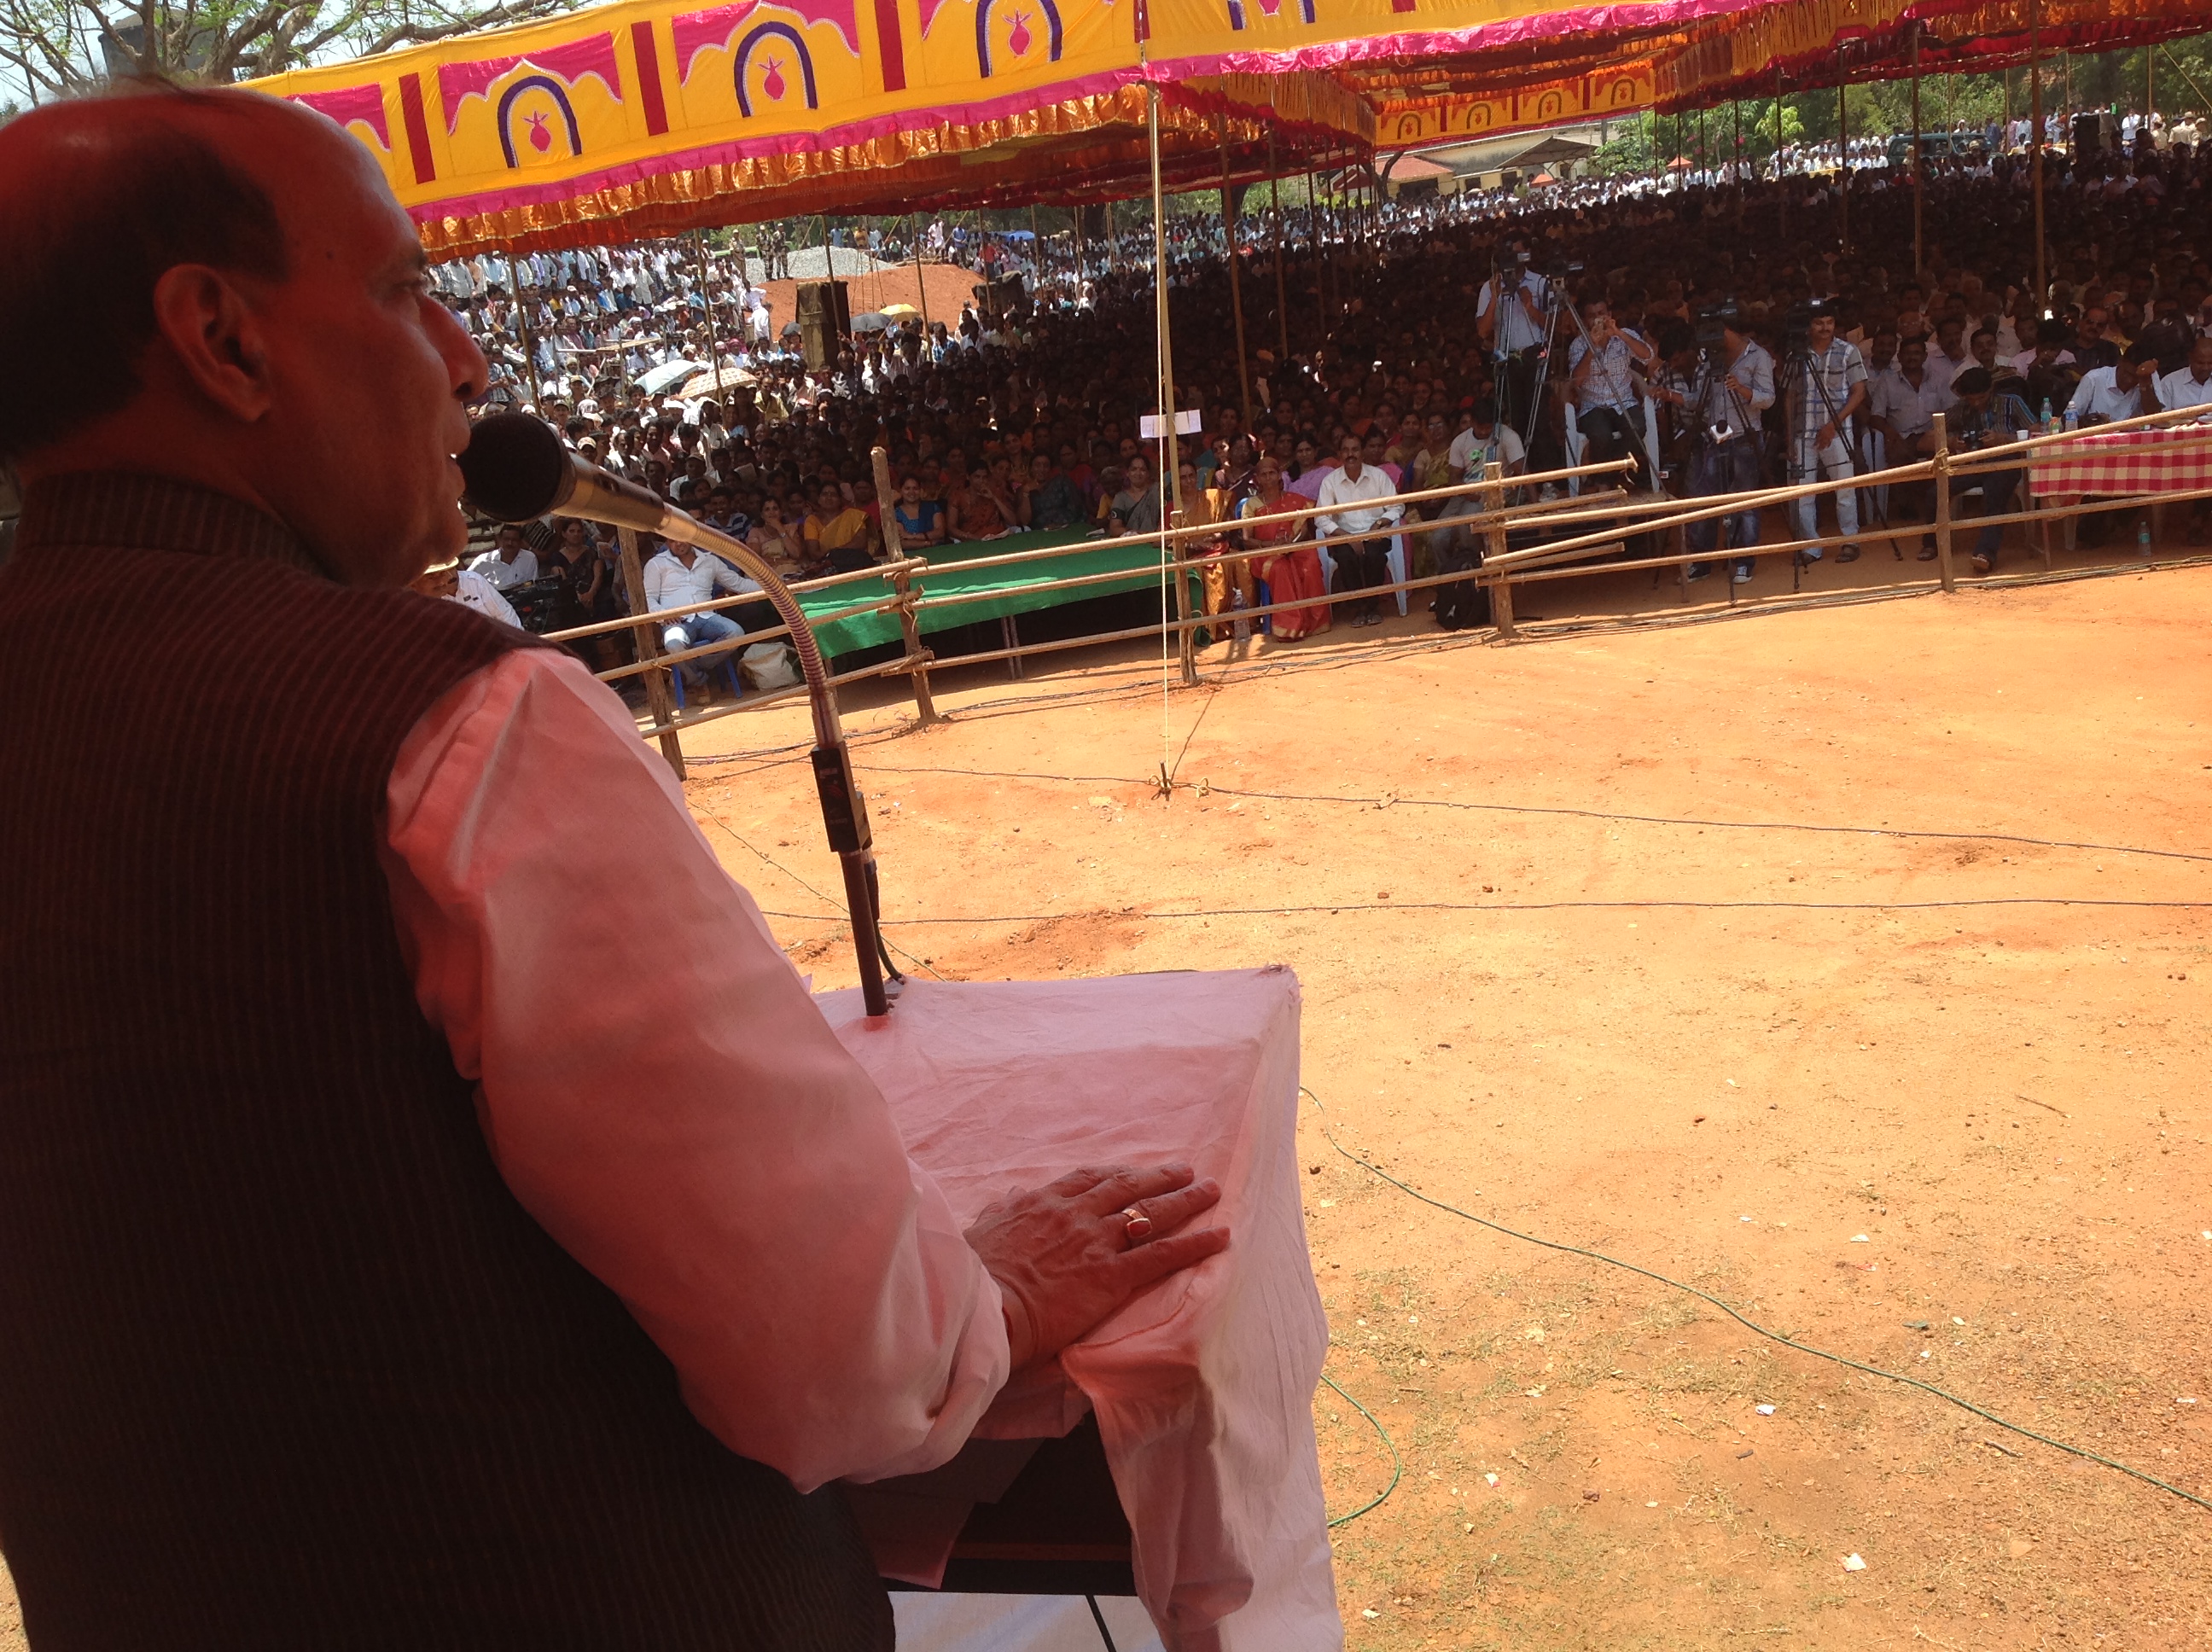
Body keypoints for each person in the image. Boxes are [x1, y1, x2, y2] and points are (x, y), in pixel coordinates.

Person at [0, 84, 1227, 1649]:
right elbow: (847, 1361)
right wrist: (979, 1297)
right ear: (223, 342)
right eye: (396, 288)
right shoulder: (455, 724)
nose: (465, 356)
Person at [1669, 306, 1773, 584]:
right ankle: (1701, 563)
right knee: (1706, 500)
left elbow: (1768, 399)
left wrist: (1741, 388)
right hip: (1716, 436)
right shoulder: (1709, 361)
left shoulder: (1757, 356)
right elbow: (1700, 400)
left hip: (1745, 434)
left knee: (1745, 501)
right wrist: (1673, 396)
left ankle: (1743, 562)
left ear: (1728, 329)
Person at [1781, 303, 1866, 562]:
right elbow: (1790, 396)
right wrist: (1788, 435)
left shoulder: (1848, 351)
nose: (1825, 328)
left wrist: (1833, 425)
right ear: (1809, 326)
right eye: (1819, 323)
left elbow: (1859, 392)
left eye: (1829, 322)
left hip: (1838, 431)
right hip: (1802, 432)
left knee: (1845, 489)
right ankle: (1810, 547)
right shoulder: (1795, 355)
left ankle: (1849, 541)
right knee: (1802, 494)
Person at [1944, 366, 2036, 573]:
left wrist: (2004, 439)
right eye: (1971, 399)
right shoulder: (1961, 408)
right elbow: (1929, 436)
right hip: (1975, 464)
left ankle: (1985, 553)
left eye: (1982, 397)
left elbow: (2037, 433)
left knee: (1994, 495)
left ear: (1991, 389)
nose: (1976, 403)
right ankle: (1932, 543)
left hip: (2007, 462)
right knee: (1938, 490)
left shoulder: (2012, 402)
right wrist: (1952, 442)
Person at [643, 534, 757, 699]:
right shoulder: (656, 563)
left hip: (707, 617)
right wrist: (662, 614)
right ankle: (698, 682)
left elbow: (739, 584)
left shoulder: (709, 560)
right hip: (677, 621)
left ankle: (688, 669)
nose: (678, 543)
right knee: (674, 644)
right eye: (672, 540)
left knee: (736, 634)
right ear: (667, 542)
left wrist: (775, 585)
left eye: (680, 537)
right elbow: (648, 598)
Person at [1314, 433, 1402, 626]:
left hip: (1376, 532)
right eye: (1346, 450)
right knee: (1345, 558)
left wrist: (1379, 525)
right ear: (1340, 454)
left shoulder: (1378, 476)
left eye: (1355, 449)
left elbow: (1397, 506)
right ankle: (1359, 608)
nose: (1350, 454)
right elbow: (1321, 517)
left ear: (1362, 453)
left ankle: (1372, 607)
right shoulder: (1330, 482)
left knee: (1375, 556)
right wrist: (1347, 537)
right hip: (1344, 536)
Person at [1240, 454, 1329, 640]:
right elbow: (1247, 540)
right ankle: (1289, 628)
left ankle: (1317, 622)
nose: (1268, 478)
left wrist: (1292, 544)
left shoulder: (1294, 500)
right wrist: (1271, 545)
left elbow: (1303, 529)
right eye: (1263, 475)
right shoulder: (1251, 505)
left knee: (1311, 561)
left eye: (1272, 473)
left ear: (1280, 475)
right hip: (1266, 554)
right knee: (1281, 568)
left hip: (1294, 548)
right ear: (1257, 479)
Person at [2151, 334, 2212, 544]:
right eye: (2200, 362)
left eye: (2210, 363)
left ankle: (2199, 519)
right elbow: (2162, 420)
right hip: (2178, 452)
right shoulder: (2171, 382)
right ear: (2190, 358)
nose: (2205, 367)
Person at [411, 555, 523, 627]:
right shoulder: (419, 604)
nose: (446, 579)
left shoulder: (474, 581)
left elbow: (504, 615)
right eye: (432, 577)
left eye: (445, 572)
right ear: (414, 583)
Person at [803, 479, 878, 571]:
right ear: (818, 499)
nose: (829, 498)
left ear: (840, 500)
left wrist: (834, 553)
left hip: (852, 563)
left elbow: (860, 542)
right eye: (825, 494)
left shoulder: (854, 515)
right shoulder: (812, 520)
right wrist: (829, 558)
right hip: (825, 567)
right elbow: (814, 553)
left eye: (833, 495)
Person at [471, 519, 538, 589]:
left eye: (514, 540)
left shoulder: (529, 559)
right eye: (506, 539)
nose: (510, 543)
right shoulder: (483, 561)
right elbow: (466, 581)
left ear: (521, 542)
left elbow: (532, 585)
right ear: (500, 540)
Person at [890, 474, 947, 547]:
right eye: (907, 488)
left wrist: (913, 536)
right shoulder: (897, 513)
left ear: (921, 490)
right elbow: (902, 543)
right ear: (901, 490)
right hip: (910, 555)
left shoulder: (932, 507)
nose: (912, 492)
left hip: (936, 550)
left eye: (915, 488)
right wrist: (929, 543)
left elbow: (940, 533)